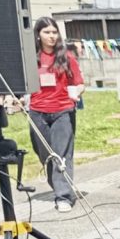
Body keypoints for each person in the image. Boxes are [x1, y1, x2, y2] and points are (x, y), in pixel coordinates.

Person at [29, 16, 84, 213]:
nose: (51, 36)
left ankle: (63, 196)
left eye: (54, 32)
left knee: (61, 155)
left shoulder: (67, 57)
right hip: (37, 111)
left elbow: (79, 83)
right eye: (47, 32)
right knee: (44, 154)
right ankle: (59, 185)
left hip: (63, 110)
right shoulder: (30, 58)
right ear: (38, 34)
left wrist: (77, 92)